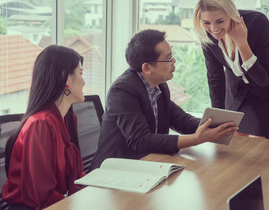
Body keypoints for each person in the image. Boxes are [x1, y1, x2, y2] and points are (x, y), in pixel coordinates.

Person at [90, 29, 238, 170]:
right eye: (168, 58)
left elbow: (181, 120)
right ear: (147, 67)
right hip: (115, 170)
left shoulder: (159, 86)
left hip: (148, 165)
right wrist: (196, 139)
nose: (174, 61)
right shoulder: (122, 90)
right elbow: (141, 140)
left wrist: (217, 126)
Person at [193, 0, 269, 141]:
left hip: (267, 83)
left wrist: (242, 43)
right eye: (207, 22)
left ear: (230, 12)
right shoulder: (208, 36)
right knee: (233, 136)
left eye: (219, 21)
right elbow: (215, 79)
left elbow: (263, 80)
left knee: (267, 144)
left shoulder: (257, 22)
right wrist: (217, 119)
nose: (214, 28)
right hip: (237, 86)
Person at [2, 45, 86, 210]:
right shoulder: (40, 125)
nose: (84, 81)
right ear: (66, 78)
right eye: (81, 73)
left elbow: (77, 175)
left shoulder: (68, 117)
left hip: (61, 202)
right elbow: (43, 197)